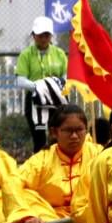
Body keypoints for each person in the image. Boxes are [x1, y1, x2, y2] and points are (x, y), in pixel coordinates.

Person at [6, 104, 101, 223]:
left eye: (79, 130)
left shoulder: (99, 154)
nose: (75, 136)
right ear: (54, 132)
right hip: (50, 216)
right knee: (26, 194)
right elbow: (12, 183)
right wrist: (27, 216)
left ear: (86, 130)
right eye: (68, 131)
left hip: (86, 216)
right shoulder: (41, 159)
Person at [16, 16, 68, 152]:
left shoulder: (60, 54)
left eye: (47, 35)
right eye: (40, 35)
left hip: (57, 98)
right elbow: (20, 80)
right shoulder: (26, 55)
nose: (43, 38)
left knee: (58, 134)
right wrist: (40, 87)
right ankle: (39, 166)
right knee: (38, 137)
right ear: (33, 35)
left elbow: (66, 76)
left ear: (51, 36)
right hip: (35, 99)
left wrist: (54, 85)